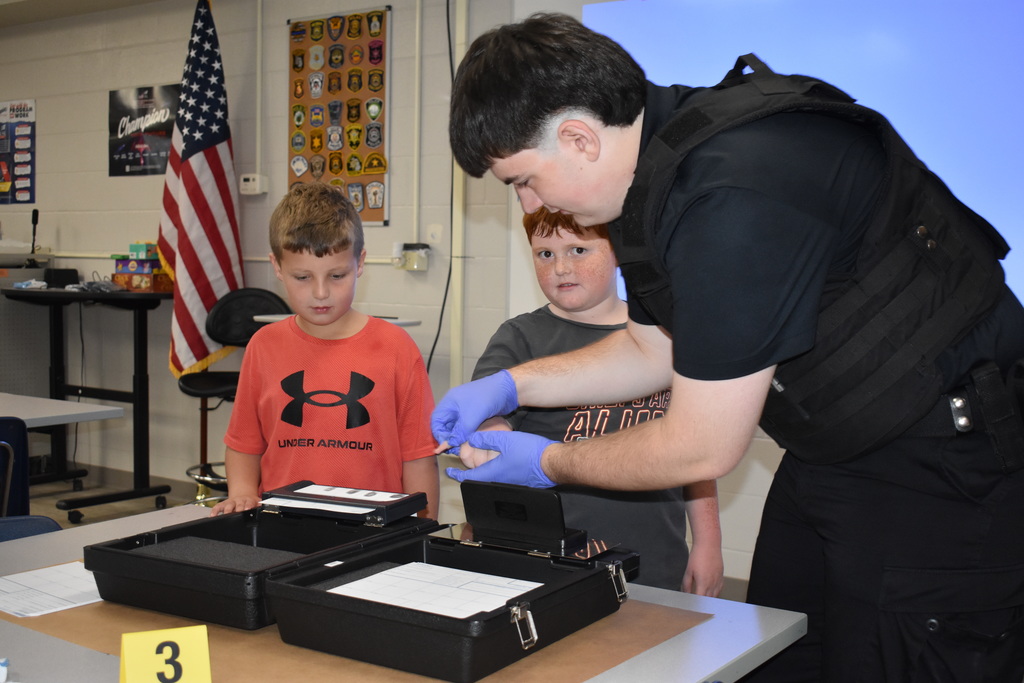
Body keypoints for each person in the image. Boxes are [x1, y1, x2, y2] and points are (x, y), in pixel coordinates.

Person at [434, 12, 1024, 683]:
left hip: (946, 468)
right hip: (833, 453)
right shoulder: (651, 182)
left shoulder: (731, 193)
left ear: (578, 138)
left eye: (522, 180)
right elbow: (651, 350)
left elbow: (702, 445)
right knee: (775, 653)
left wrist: (548, 460)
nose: (527, 203)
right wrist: (514, 386)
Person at [461, 207, 723, 594]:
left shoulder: (665, 336)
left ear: (617, 250)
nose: (560, 268)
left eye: (578, 250)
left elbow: (696, 454)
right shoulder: (521, 337)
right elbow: (488, 413)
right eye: (545, 254)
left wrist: (708, 543)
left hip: (655, 558)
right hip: (551, 564)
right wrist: (488, 432)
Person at [211, 183, 439, 519]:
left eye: (336, 275)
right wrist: (242, 493)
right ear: (277, 267)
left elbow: (418, 457)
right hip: (283, 521)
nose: (320, 293)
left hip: (372, 527)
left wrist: (422, 529)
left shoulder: (396, 347)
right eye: (302, 277)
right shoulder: (263, 345)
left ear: (359, 263)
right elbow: (244, 444)